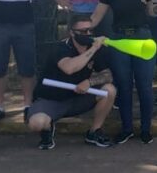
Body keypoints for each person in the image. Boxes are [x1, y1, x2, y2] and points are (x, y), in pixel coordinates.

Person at [90, 0, 155, 144]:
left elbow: (152, 12)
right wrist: (81, 29)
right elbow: (96, 17)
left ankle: (146, 129)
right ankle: (127, 129)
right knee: (124, 85)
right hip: (119, 39)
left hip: (142, 38)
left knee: (145, 85)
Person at [28, 14, 117, 149]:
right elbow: (69, 68)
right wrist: (93, 48)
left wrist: (89, 82)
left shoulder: (95, 48)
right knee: (37, 123)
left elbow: (108, 75)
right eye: (83, 31)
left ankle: (94, 132)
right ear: (71, 32)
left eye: (90, 30)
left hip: (78, 97)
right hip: (52, 100)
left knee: (109, 90)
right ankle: (47, 128)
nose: (88, 34)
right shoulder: (60, 48)